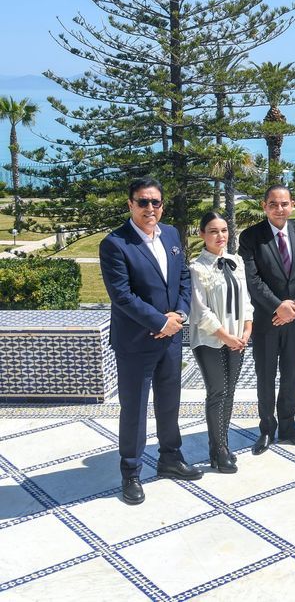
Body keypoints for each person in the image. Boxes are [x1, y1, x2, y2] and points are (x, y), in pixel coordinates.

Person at [99, 177, 198, 505]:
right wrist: (160, 322)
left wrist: (179, 315)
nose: (150, 208)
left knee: (169, 402)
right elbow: (122, 296)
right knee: (135, 409)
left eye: (155, 202)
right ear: (130, 204)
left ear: (162, 206)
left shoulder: (170, 234)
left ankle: (170, 458)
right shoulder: (115, 244)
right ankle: (131, 472)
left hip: (170, 339)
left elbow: (183, 277)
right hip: (136, 342)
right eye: (143, 202)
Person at [238, 184, 295, 454]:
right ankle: (266, 429)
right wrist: (278, 307)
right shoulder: (251, 237)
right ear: (264, 206)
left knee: (290, 374)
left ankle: (288, 427)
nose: (279, 209)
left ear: (292, 205)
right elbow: (252, 278)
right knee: (265, 376)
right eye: (273, 204)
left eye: (284, 203)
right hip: (267, 320)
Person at [189, 212, 253, 473]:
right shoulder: (197, 267)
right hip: (210, 340)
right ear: (202, 234)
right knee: (217, 392)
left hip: (238, 338)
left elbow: (246, 300)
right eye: (213, 231)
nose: (220, 236)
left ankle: (220, 446)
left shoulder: (236, 261)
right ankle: (219, 448)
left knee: (230, 391)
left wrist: (246, 331)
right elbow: (200, 311)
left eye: (224, 230)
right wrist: (225, 336)